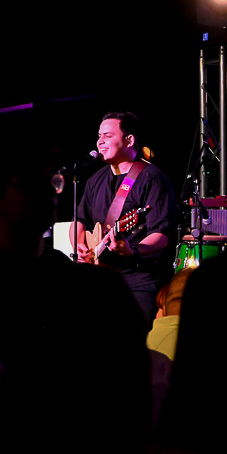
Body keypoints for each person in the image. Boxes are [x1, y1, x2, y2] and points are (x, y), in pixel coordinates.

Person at [74, 112, 176, 323]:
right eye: (99, 136)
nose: (100, 141)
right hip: (101, 277)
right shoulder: (95, 180)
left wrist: (133, 251)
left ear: (129, 140)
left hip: (139, 279)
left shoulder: (152, 178)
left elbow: (161, 235)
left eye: (108, 135)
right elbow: (80, 221)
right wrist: (80, 245)